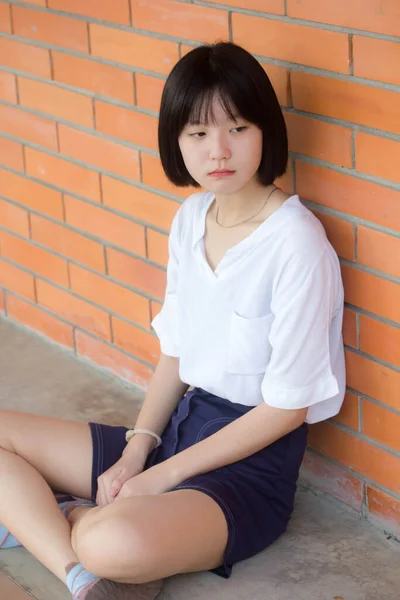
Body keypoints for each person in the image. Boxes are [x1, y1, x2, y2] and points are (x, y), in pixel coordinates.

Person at [0, 41, 346, 600]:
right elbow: (177, 353)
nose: (219, 151)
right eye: (198, 133)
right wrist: (138, 452)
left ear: (265, 132)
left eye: (236, 128)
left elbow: (287, 409)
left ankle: (58, 526)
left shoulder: (297, 244)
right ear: (176, 141)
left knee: (114, 542)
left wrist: (156, 480)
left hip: (246, 471)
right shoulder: (191, 219)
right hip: (177, 433)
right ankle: (84, 576)